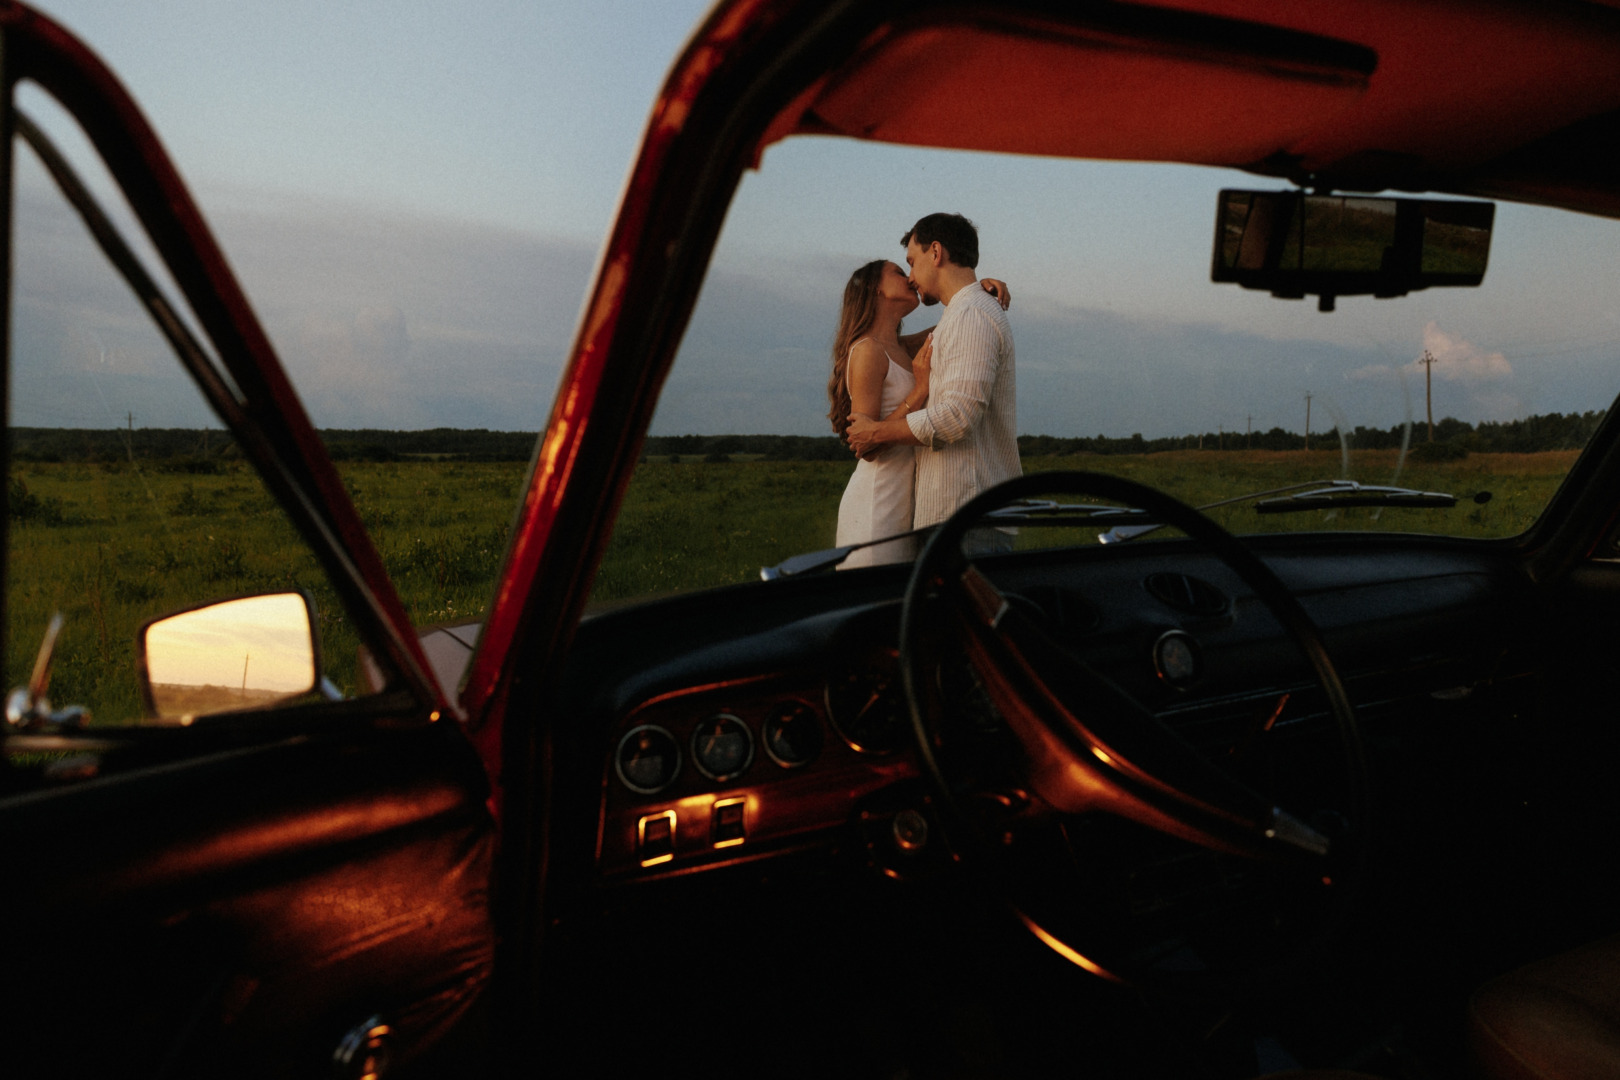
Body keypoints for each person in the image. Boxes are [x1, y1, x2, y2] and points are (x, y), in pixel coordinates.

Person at [845, 213, 1019, 552]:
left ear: (935, 253)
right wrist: (977, 286)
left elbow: (957, 417)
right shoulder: (960, 316)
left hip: (965, 516)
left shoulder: (971, 315)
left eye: (911, 262)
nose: (911, 277)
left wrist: (876, 432)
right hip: (951, 517)